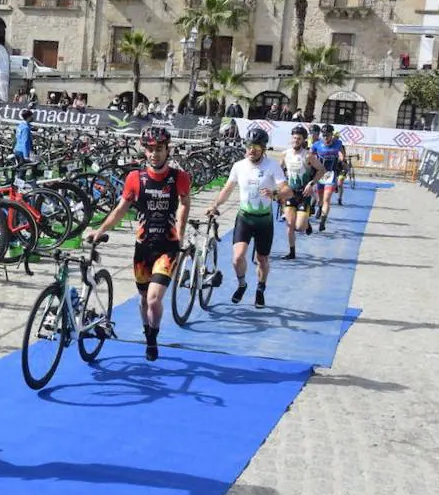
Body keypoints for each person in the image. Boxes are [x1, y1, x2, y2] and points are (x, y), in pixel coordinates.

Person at [88, 126, 190, 361]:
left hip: (168, 246)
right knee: (144, 299)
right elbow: (121, 209)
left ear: (168, 150)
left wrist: (181, 231)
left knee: (154, 298)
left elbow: (185, 202)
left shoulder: (179, 177)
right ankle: (148, 332)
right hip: (143, 248)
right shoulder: (135, 178)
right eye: (150, 149)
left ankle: (154, 337)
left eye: (160, 149)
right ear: (145, 151)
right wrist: (100, 230)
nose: (155, 154)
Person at [206, 127, 293, 309]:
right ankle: (242, 284)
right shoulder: (239, 166)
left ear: (263, 148)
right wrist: (215, 205)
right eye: (248, 145)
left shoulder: (272, 166)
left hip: (264, 221)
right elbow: (227, 189)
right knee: (237, 258)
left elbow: (288, 191)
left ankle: (260, 289)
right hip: (245, 218)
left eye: (256, 146)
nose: (251, 150)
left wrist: (275, 193)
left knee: (262, 259)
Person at [280, 124, 325, 259]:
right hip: (290, 193)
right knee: (290, 225)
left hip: (303, 194)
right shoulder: (285, 154)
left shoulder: (308, 156)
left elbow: (322, 170)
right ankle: (292, 252)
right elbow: (278, 171)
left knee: (299, 227)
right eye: (294, 138)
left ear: (303, 140)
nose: (296, 141)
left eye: (299, 139)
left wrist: (311, 183)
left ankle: (306, 224)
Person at [311, 123, 346, 231]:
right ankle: (320, 208)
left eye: (328, 135)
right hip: (320, 174)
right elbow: (310, 156)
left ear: (332, 135)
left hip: (331, 174)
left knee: (327, 199)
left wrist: (341, 158)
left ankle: (323, 221)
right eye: (324, 135)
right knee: (320, 200)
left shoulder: (338, 143)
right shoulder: (316, 144)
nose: (326, 137)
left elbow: (342, 154)